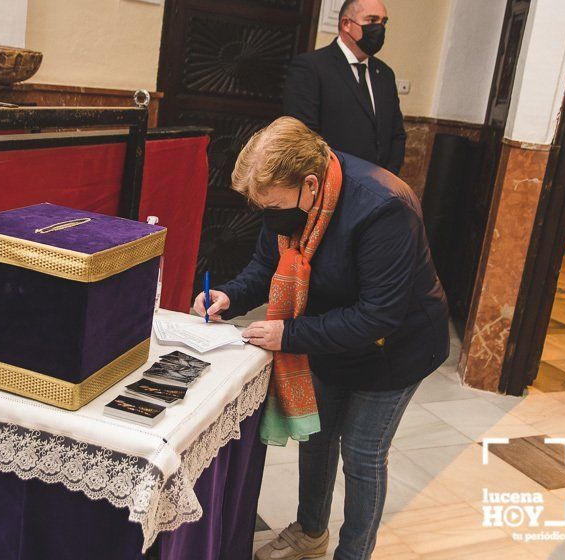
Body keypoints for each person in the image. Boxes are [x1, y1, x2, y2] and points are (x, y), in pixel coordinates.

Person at [193, 117, 449, 560]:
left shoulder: (383, 207)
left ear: (309, 185)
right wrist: (229, 296)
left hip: (395, 347)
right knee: (316, 435)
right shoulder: (287, 200)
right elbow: (264, 267)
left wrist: (288, 332)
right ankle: (310, 534)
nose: (269, 217)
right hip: (328, 331)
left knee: (363, 453)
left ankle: (354, 553)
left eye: (271, 207)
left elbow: (378, 315)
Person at [283, 0, 406, 175]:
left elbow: (397, 134)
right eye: (372, 20)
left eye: (383, 22)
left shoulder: (385, 74)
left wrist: (388, 178)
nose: (380, 28)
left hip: (377, 188)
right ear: (346, 24)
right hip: (330, 184)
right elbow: (303, 135)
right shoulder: (311, 67)